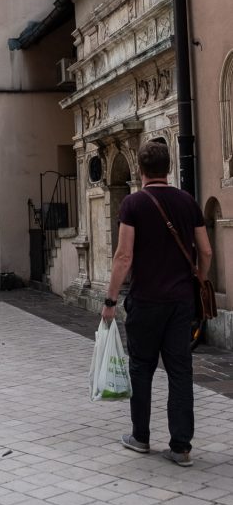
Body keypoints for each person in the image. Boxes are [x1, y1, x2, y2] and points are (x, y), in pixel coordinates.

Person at [102, 139, 212, 466]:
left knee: (141, 368)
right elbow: (205, 251)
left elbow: (124, 256)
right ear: (170, 168)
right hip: (180, 302)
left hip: (146, 300)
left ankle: (141, 436)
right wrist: (198, 280)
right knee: (180, 372)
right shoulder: (187, 202)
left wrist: (110, 299)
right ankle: (181, 447)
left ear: (140, 169)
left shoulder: (133, 205)